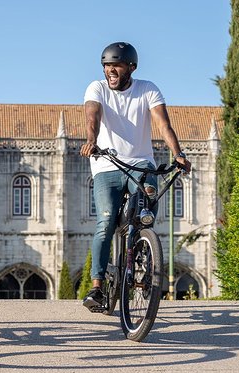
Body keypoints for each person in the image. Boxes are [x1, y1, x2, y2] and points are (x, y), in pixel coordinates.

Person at [79, 41, 191, 311]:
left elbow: (163, 124)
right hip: (107, 163)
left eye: (116, 65)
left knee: (145, 214)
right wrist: (91, 140)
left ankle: (140, 247)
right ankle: (96, 287)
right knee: (105, 222)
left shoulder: (147, 89)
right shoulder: (97, 88)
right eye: (107, 66)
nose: (110, 71)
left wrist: (177, 153)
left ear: (131, 67)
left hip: (141, 163)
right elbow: (92, 117)